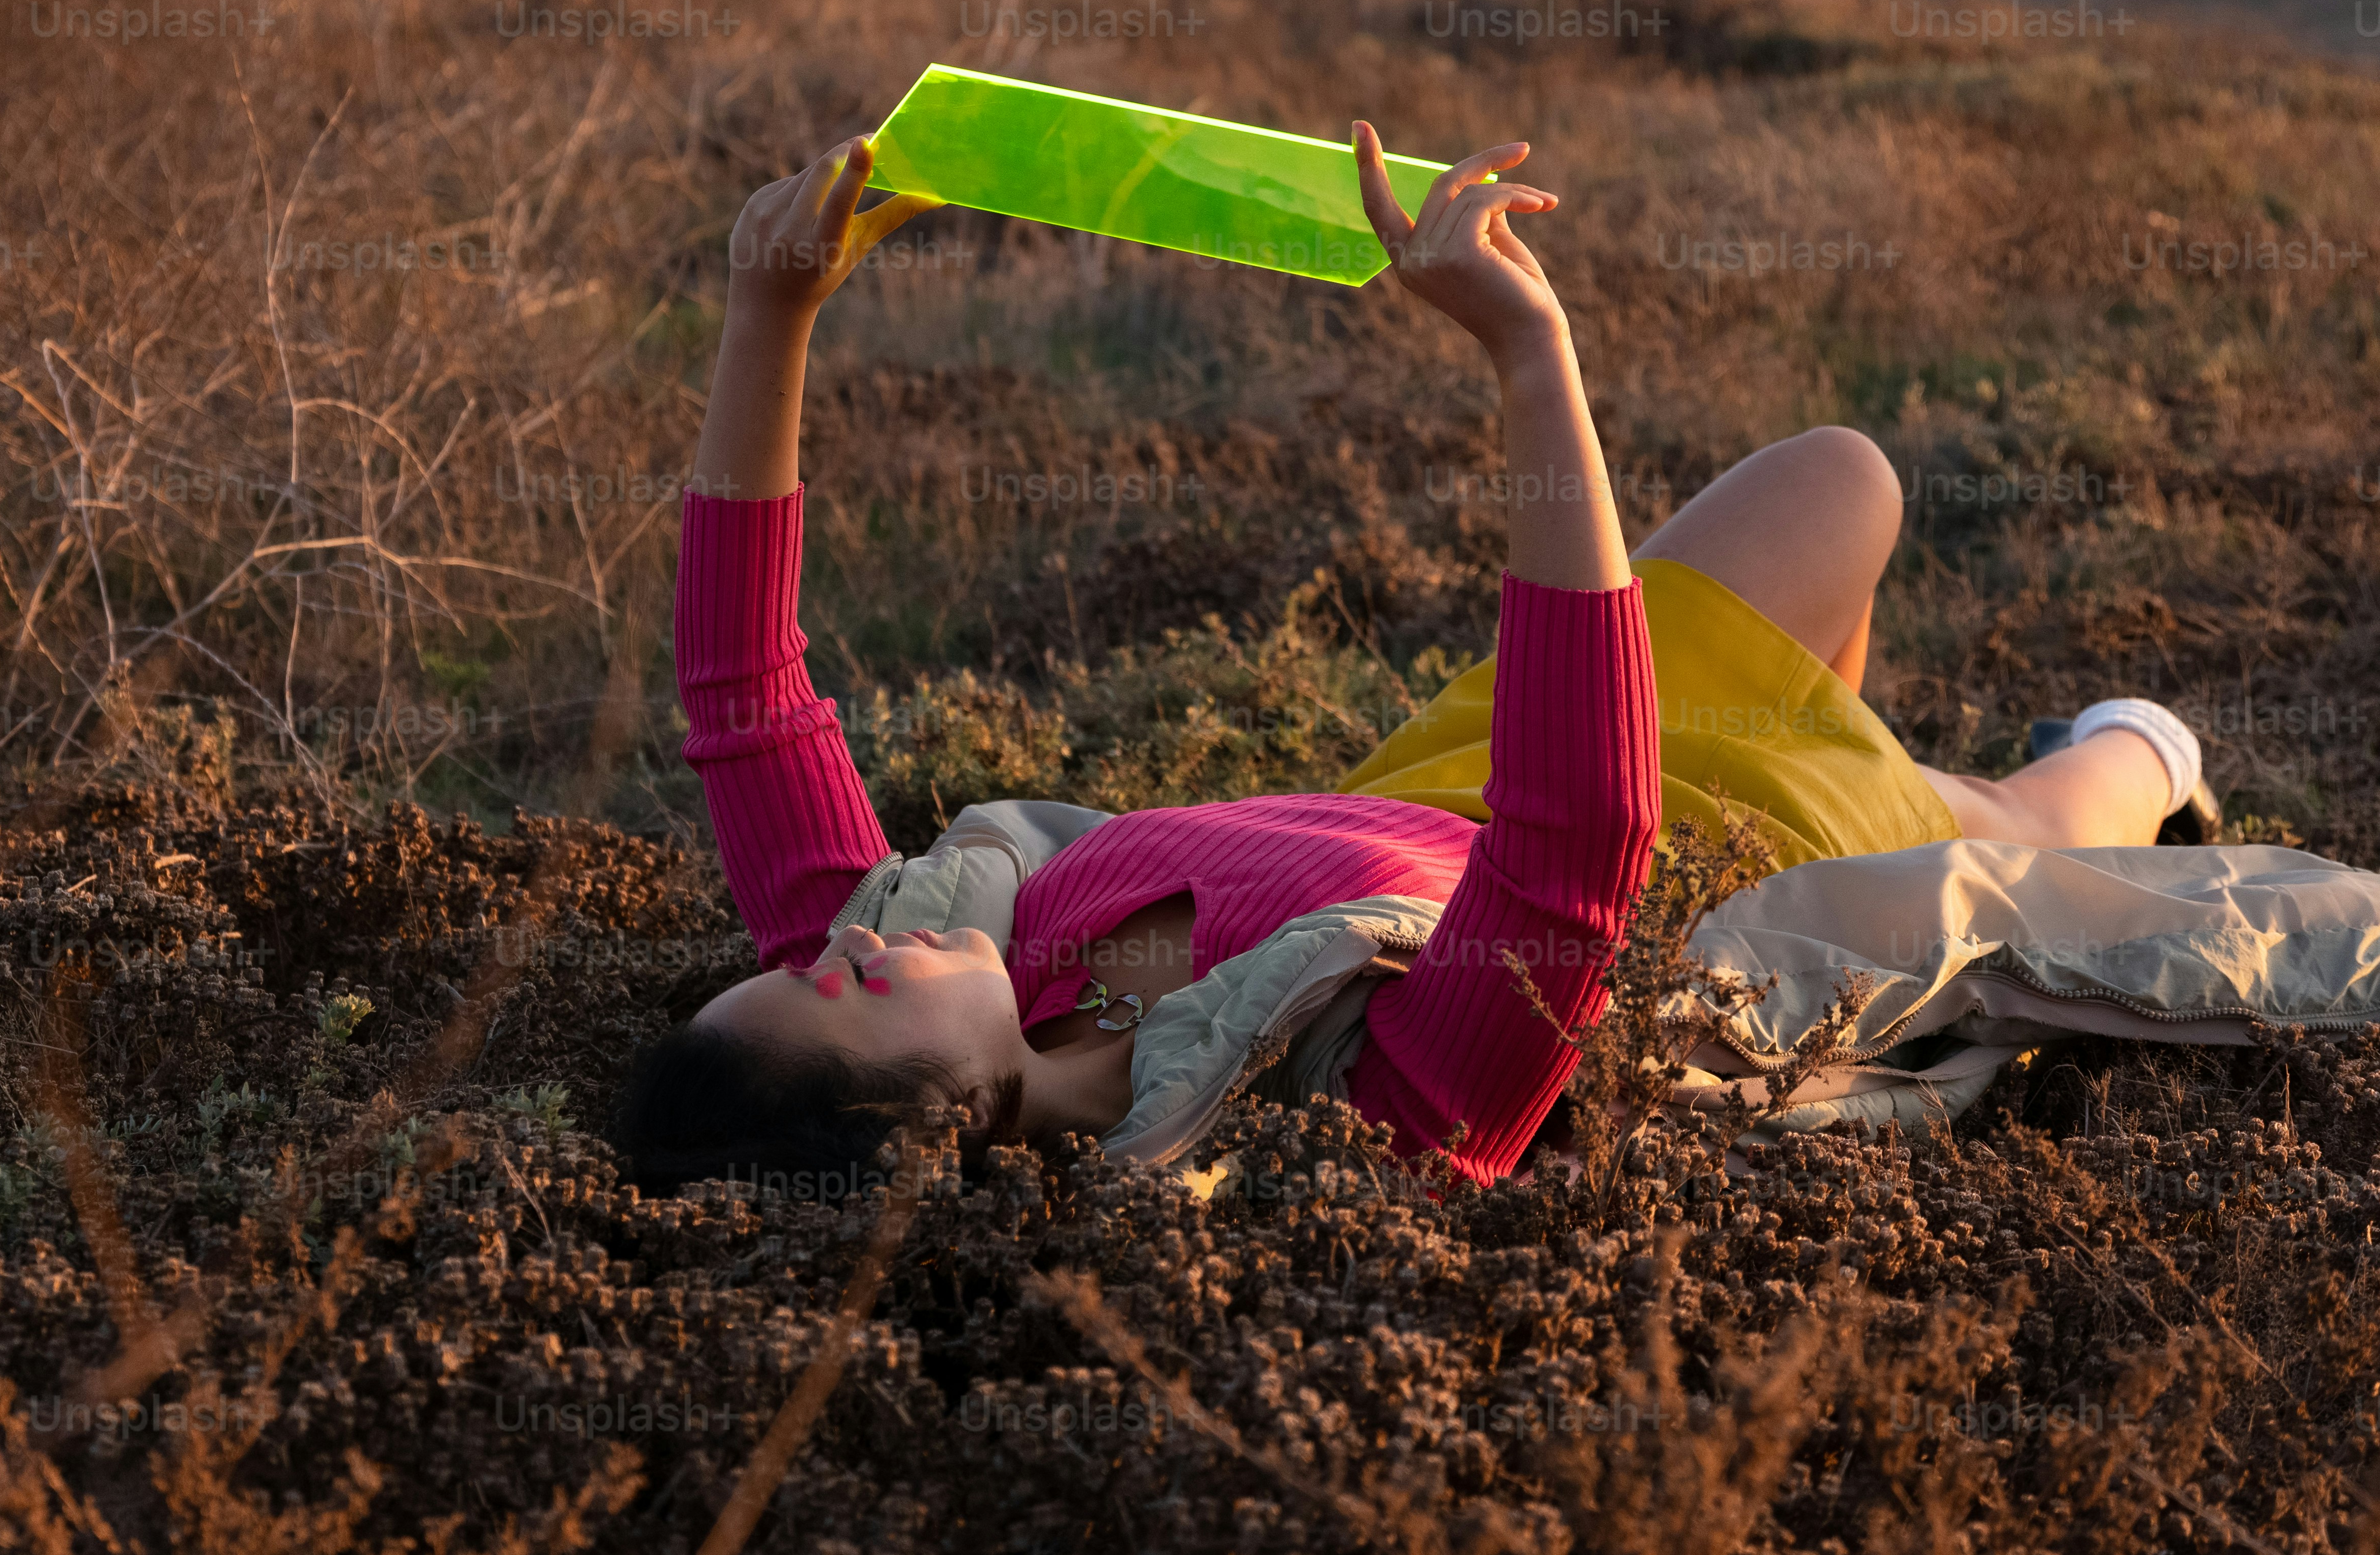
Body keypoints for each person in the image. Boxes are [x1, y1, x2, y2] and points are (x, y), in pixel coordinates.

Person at [611, 125, 2211, 1194]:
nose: (840, 948)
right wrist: (1528, 352)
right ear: (924, 1153)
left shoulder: (944, 945)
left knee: (1839, 478)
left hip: (1457, 776)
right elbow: (1581, 853)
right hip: (1744, 868)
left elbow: (746, 701)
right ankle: (2140, 753)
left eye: (807, 958)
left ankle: (1863, 736)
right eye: (832, 998)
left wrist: (771, 314)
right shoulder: (1370, 1124)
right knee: (2042, 807)